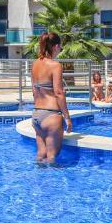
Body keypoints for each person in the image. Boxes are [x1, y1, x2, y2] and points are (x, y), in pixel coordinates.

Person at [31, 31, 72, 164]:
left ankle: (38, 183)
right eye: (60, 46)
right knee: (52, 158)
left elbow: (34, 90)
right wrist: (67, 117)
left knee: (40, 155)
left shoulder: (35, 64)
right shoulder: (55, 65)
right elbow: (58, 92)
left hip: (36, 114)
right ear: (55, 46)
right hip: (51, 115)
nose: (60, 49)